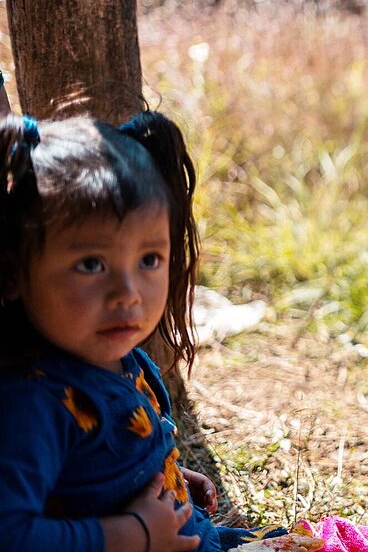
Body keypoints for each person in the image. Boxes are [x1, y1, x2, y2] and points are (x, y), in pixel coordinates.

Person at [0, 111, 291, 552]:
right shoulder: (32, 403)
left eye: (149, 260)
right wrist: (134, 533)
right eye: (91, 264)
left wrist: (165, 475)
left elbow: (99, 465)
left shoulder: (118, 354)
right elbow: (11, 534)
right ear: (13, 271)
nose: (128, 293)